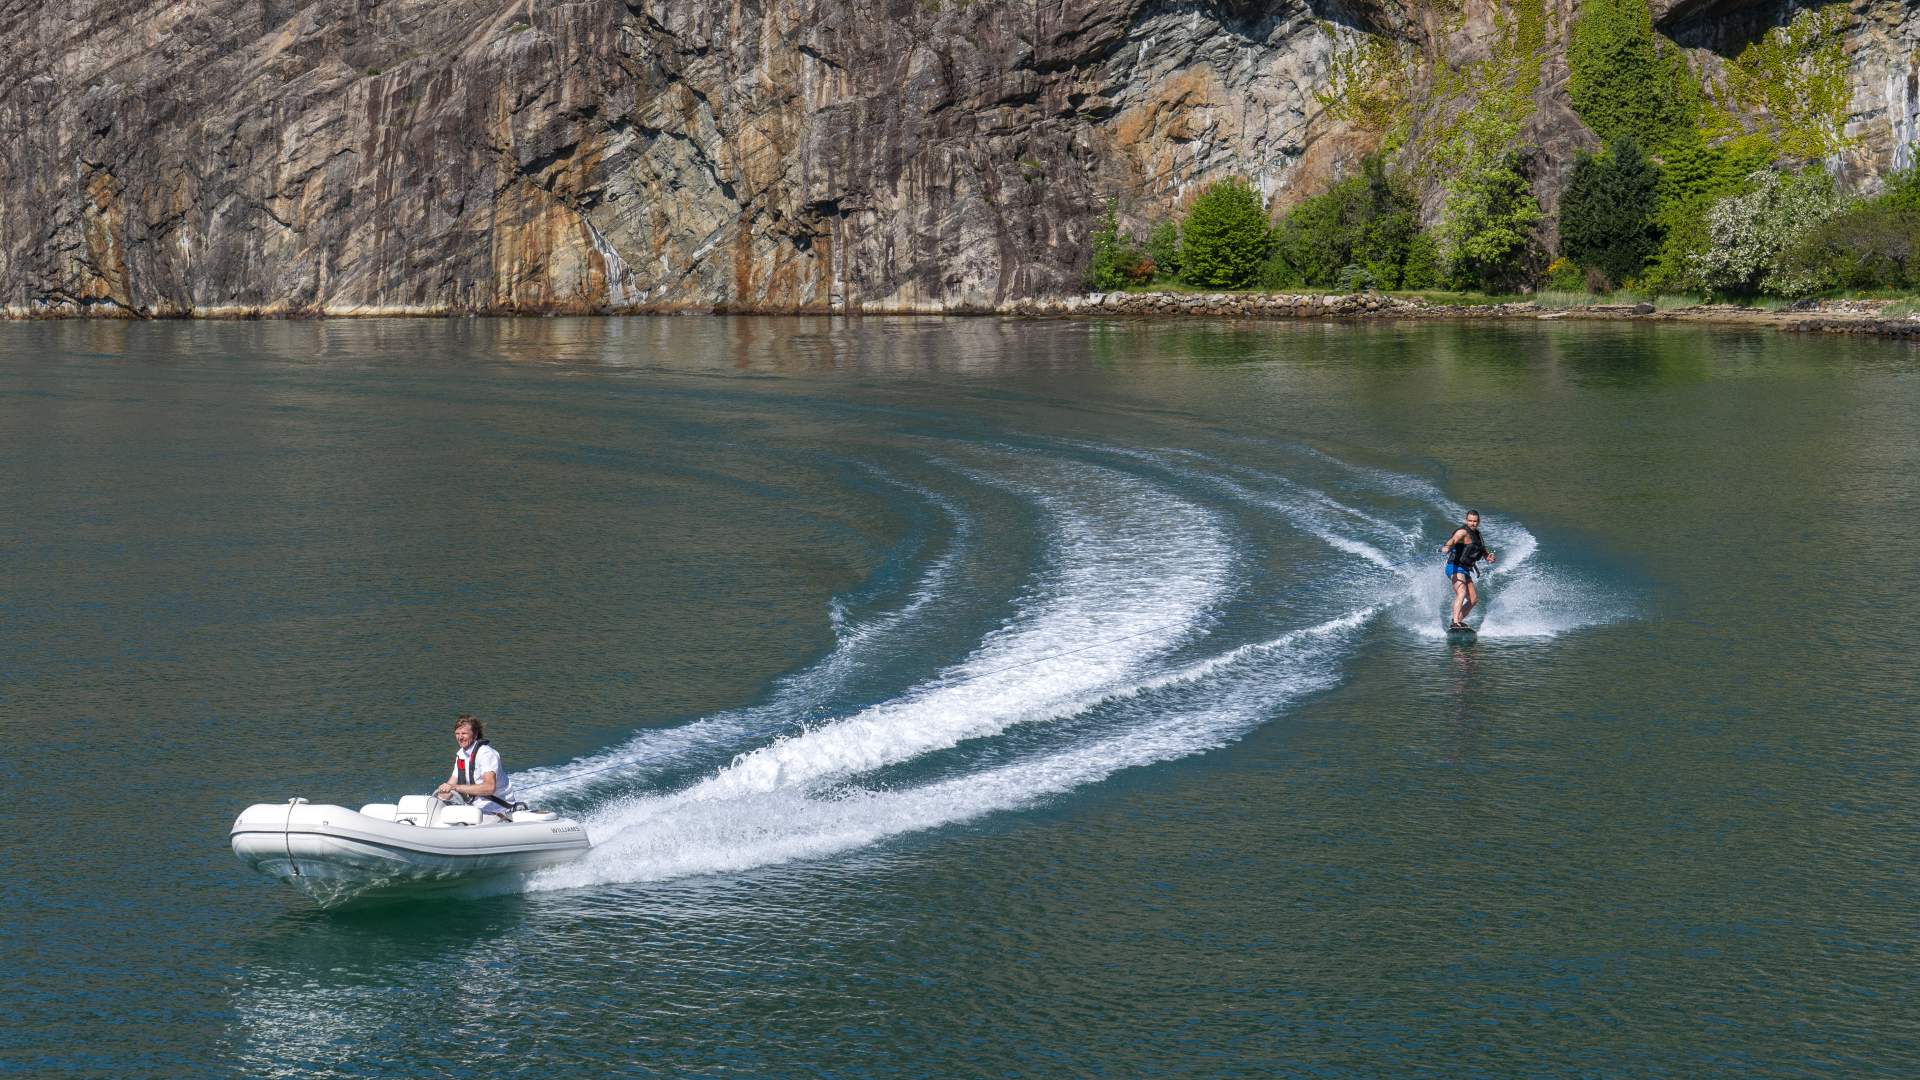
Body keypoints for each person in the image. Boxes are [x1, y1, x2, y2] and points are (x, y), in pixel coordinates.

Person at [435, 713, 519, 821]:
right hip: (474, 806)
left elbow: (490, 787)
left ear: (475, 735)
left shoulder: (486, 754)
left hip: (497, 808)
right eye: (457, 733)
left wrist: (455, 788)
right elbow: (451, 784)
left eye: (464, 733)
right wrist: (439, 798)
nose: (460, 737)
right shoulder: (460, 754)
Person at [1439, 511, 1496, 630]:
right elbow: (1454, 539)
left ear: (1478, 522)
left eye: (1475, 521)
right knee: (1462, 591)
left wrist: (1488, 557)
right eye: (1470, 520)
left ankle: (1458, 620)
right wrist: (1447, 547)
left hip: (1465, 569)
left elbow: (1482, 550)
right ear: (1466, 520)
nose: (1472, 523)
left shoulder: (1478, 535)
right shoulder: (1463, 532)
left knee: (1473, 599)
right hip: (1454, 566)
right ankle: (1455, 623)